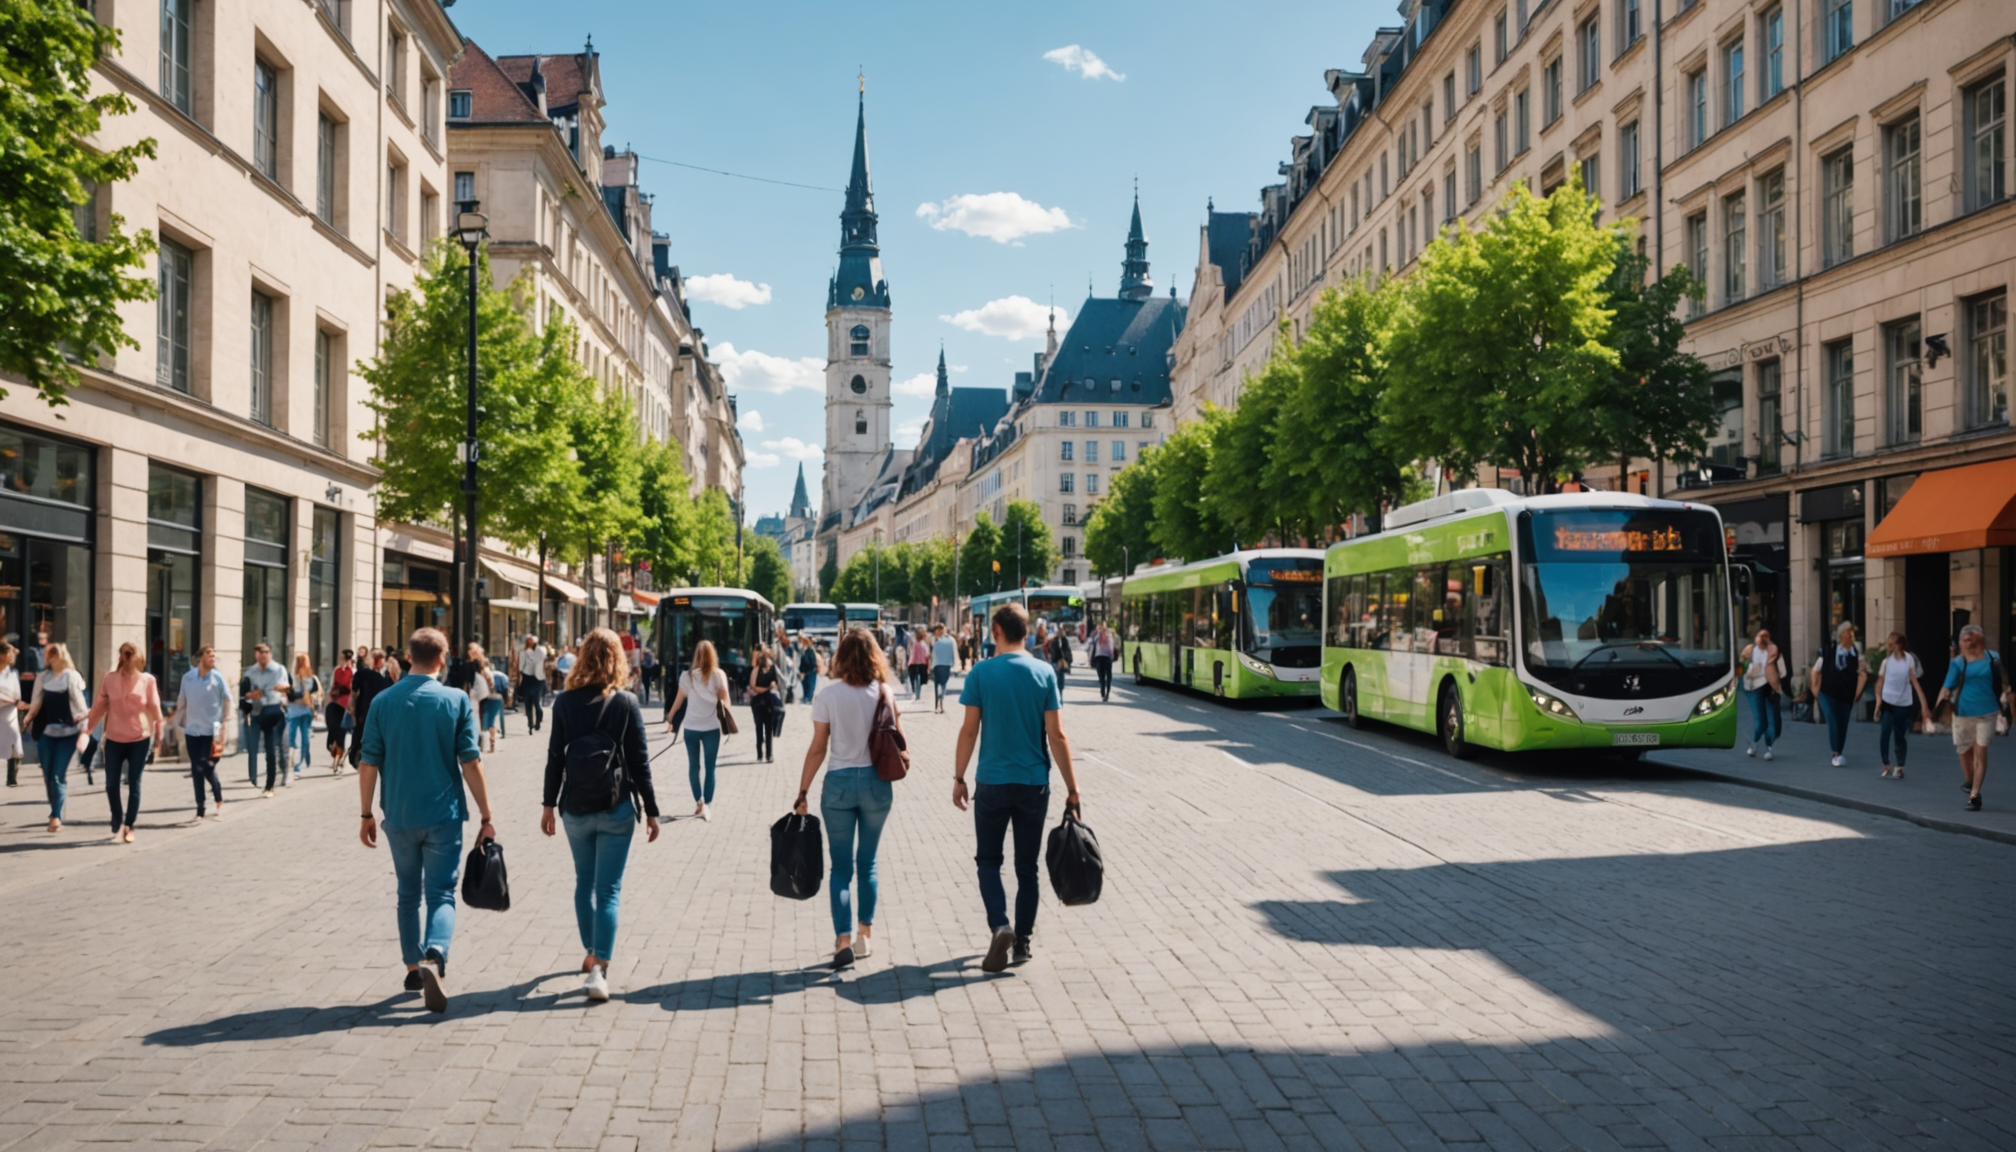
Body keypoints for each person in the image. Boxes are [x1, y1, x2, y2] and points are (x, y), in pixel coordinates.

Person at [356, 628, 494, 1013]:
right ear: (443, 658)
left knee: (406, 893)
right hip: (443, 814)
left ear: (408, 656)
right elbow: (470, 762)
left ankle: (412, 968)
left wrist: (366, 813)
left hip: (399, 814)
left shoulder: (383, 701)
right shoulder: (455, 700)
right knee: (441, 893)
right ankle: (435, 951)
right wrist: (486, 814)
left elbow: (368, 762)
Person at [953, 604, 1084, 973]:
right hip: (1033, 784)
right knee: (1027, 866)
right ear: (1026, 632)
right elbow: (1057, 736)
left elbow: (969, 731)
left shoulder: (981, 673)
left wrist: (959, 777)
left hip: (992, 783)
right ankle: (1022, 941)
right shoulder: (1044, 673)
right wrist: (1073, 789)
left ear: (996, 631)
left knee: (988, 861)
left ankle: (1000, 925)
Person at [541, 627, 658, 1002]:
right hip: (616, 807)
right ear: (618, 659)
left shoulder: (564, 703)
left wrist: (548, 805)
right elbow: (640, 763)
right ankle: (599, 971)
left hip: (575, 808)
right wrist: (652, 811)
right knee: (608, 890)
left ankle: (591, 951)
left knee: (584, 883)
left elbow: (555, 759)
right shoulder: (626, 703)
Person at [793, 628, 903, 969]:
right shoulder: (884, 692)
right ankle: (864, 935)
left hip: (838, 784)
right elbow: (899, 740)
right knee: (867, 863)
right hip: (875, 783)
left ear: (840, 657)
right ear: (874, 656)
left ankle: (842, 938)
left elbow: (818, 747)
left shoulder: (827, 695)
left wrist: (803, 791)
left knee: (840, 867)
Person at [83, 642, 164, 845]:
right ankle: (117, 816)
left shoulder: (148, 681)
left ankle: (129, 825)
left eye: (130, 653)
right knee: (111, 784)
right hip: (114, 739)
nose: (127, 657)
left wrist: (159, 734)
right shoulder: (110, 679)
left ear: (138, 657)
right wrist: (87, 729)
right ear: (120, 656)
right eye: (124, 653)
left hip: (139, 739)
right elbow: (99, 705)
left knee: (134, 783)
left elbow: (155, 708)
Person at [1936, 624, 2008, 812]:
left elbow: (2002, 682)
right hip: (1963, 712)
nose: (1967, 643)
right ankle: (1970, 780)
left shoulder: (1993, 657)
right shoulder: (1958, 662)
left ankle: (1974, 794)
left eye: (1970, 640)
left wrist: (2005, 705)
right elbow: (1947, 686)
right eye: (1964, 640)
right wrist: (1933, 710)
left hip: (1988, 712)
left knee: (1980, 751)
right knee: (1963, 750)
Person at [24, 643, 88, 833]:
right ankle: (55, 809)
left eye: (55, 653)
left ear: (62, 655)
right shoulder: (42, 677)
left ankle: (55, 816)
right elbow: (35, 703)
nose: (51, 657)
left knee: (57, 776)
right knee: (48, 776)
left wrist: (84, 731)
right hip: (47, 734)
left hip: (68, 734)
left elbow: (80, 705)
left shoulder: (71, 676)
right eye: (49, 654)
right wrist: (26, 722)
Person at [667, 639, 729, 821]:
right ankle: (707, 803)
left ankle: (698, 801)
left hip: (691, 727)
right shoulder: (718, 675)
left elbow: (678, 701)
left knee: (693, 766)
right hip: (712, 728)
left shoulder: (686, 676)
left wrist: (670, 717)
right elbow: (725, 702)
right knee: (710, 767)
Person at [169, 646, 232, 819]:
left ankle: (217, 792)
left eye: (214, 655)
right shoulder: (187, 678)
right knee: (196, 769)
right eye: (209, 654)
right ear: (200, 658)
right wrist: (175, 720)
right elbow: (181, 702)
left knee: (206, 765)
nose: (213, 657)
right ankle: (200, 807)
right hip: (192, 730)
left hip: (212, 731)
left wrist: (224, 723)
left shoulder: (217, 678)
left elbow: (228, 699)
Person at [1808, 622, 1868, 768]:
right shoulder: (1830, 650)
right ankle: (1835, 753)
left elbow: (1862, 673)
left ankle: (1839, 751)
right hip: (1827, 693)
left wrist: (1858, 693)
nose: (1850, 635)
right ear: (1841, 635)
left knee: (1843, 724)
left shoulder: (1855, 653)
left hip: (1846, 695)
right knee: (1833, 720)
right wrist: (1815, 689)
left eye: (1851, 633)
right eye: (1848, 632)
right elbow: (1815, 670)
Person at [1874, 632, 1931, 779]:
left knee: (1899, 735)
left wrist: (1924, 706)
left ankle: (1899, 765)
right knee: (1885, 732)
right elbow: (1879, 683)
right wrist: (1878, 705)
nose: (1891, 646)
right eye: (1890, 643)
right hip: (1888, 702)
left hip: (1903, 703)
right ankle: (1886, 763)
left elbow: (1915, 680)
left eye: (1894, 643)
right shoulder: (1886, 662)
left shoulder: (1909, 659)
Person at [242, 643, 290, 795]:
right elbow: (245, 693)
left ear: (270, 654)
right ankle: (253, 778)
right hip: (256, 712)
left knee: (271, 748)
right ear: (256, 655)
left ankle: (270, 784)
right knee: (253, 746)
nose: (263, 655)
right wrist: (251, 695)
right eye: (260, 652)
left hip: (273, 711)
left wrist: (282, 688)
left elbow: (286, 686)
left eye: (266, 652)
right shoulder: (250, 672)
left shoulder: (278, 669)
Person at [1738, 629, 1784, 759]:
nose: (1763, 639)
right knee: (1761, 721)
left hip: (1771, 688)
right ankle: (1754, 745)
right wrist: (1750, 671)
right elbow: (1740, 669)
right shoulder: (1749, 651)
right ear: (1756, 638)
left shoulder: (1774, 651)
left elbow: (1783, 671)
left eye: (1766, 636)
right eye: (1760, 636)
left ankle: (1768, 748)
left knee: (1772, 722)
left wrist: (1774, 674)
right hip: (1754, 688)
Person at [348, 648, 392, 769]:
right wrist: (352, 706)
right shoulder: (368, 674)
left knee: (362, 736)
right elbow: (354, 693)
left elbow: (354, 693)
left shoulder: (384, 675)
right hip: (368, 711)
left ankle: (361, 758)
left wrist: (352, 706)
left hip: (367, 712)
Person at [285, 653, 320, 779]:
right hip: (294, 712)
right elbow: (290, 695)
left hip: (306, 712)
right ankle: (296, 765)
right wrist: (300, 699)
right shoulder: (291, 678)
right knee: (293, 738)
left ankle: (305, 755)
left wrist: (311, 702)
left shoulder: (310, 678)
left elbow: (315, 692)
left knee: (305, 738)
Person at [748, 649, 783, 763]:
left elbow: (779, 683)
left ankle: (769, 755)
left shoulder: (773, 669)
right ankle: (759, 754)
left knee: (769, 729)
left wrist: (774, 685)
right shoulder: (757, 669)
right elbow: (753, 686)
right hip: (758, 702)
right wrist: (766, 689)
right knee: (759, 727)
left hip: (770, 703)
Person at [326, 650, 355, 773]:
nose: (343, 661)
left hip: (347, 704)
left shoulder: (353, 671)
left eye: (345, 658)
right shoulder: (337, 670)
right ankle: (336, 753)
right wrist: (328, 699)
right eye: (341, 658)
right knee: (333, 728)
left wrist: (353, 706)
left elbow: (354, 689)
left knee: (341, 732)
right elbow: (332, 685)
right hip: (336, 702)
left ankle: (338, 759)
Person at [516, 634, 549, 733]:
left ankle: (535, 723)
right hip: (533, 679)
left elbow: (521, 668)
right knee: (532, 702)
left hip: (533, 679)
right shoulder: (538, 651)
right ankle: (532, 724)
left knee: (533, 702)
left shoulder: (529, 652)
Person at [0, 643, 22, 791]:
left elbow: (17, 694)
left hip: (10, 712)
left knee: (14, 741)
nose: (12, 656)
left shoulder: (13, 673)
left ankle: (11, 776)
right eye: (9, 653)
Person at [930, 623, 956, 713]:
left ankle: (938, 705)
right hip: (946, 664)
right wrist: (953, 663)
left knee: (937, 685)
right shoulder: (950, 640)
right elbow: (953, 652)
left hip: (937, 664)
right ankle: (940, 704)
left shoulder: (934, 639)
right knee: (943, 685)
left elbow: (932, 653)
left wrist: (930, 665)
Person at [1089, 620, 1117, 702]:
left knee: (1106, 676)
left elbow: (1111, 647)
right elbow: (1093, 642)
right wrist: (1098, 633)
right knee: (1104, 676)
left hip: (1104, 658)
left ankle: (1106, 692)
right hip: (1102, 658)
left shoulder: (1108, 635)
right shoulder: (1099, 635)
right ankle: (1104, 692)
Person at [797, 635, 821, 704]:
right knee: (804, 685)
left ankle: (808, 698)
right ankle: (805, 697)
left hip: (811, 671)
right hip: (804, 672)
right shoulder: (802, 651)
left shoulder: (810, 651)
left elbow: (811, 662)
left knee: (810, 686)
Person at [907, 631, 930, 701]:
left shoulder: (914, 644)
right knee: (923, 678)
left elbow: (911, 653)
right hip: (922, 664)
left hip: (913, 663)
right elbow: (927, 654)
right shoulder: (924, 645)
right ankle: (918, 690)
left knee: (912, 676)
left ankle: (913, 689)